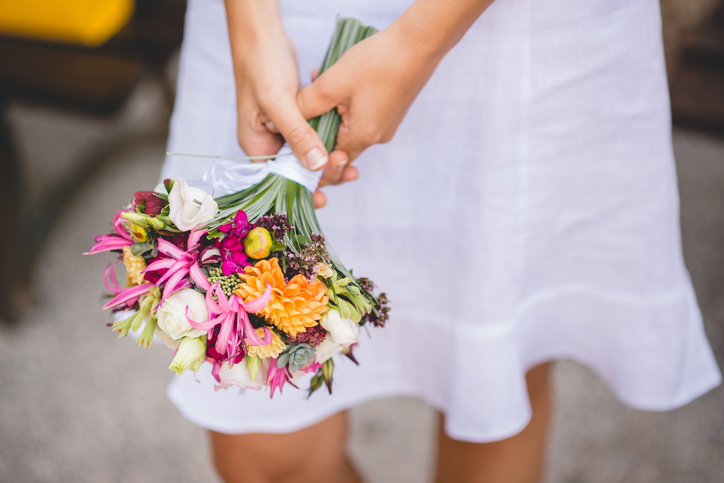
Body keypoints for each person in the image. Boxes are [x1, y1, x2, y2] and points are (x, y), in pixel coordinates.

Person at [159, 0, 722, 482]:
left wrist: (418, 41)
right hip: (266, 33)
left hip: (505, 33)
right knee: (260, 446)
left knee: (492, 375)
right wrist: (251, 28)